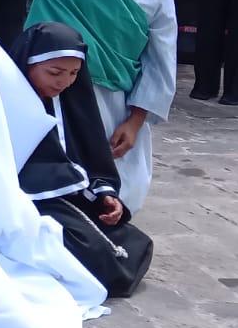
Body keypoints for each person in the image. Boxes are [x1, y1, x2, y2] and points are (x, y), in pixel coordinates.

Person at [27, 0, 177, 213]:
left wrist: (136, 122)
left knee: (126, 191)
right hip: (69, 99)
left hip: (124, 105)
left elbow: (160, 62)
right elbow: (37, 50)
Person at [11, 24, 153, 297]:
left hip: (71, 191)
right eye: (54, 72)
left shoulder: (71, 100)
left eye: (74, 73)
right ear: (28, 63)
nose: (64, 82)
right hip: (25, 196)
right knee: (92, 252)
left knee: (132, 244)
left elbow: (91, 154)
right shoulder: (8, 100)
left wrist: (104, 192)